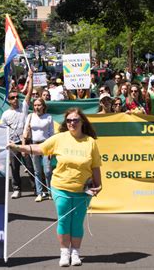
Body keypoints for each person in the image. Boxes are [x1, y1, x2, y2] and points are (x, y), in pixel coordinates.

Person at [8, 108, 102, 267]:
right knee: (65, 220)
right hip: (61, 187)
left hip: (82, 190)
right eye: (69, 120)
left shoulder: (90, 142)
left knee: (77, 222)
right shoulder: (59, 138)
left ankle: (75, 252)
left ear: (82, 122)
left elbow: (95, 166)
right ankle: (64, 252)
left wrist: (99, 185)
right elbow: (39, 149)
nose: (72, 123)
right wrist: (18, 147)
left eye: (76, 120)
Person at [0, 69, 35, 198]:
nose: (15, 99)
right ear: (9, 100)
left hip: (26, 142)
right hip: (13, 143)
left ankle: (35, 187)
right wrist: (6, 143)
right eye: (12, 98)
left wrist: (30, 78)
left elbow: (29, 93)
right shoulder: (5, 114)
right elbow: (2, 130)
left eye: (16, 97)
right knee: (14, 167)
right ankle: (17, 189)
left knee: (30, 166)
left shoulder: (24, 107)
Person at [23, 98, 54, 202]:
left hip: (46, 145)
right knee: (37, 171)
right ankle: (39, 193)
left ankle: (50, 192)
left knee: (48, 171)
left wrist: (51, 150)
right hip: (34, 145)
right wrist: (24, 147)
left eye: (39, 105)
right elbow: (25, 132)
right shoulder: (30, 116)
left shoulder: (48, 117)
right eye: (35, 105)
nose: (37, 107)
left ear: (43, 106)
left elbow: (52, 134)